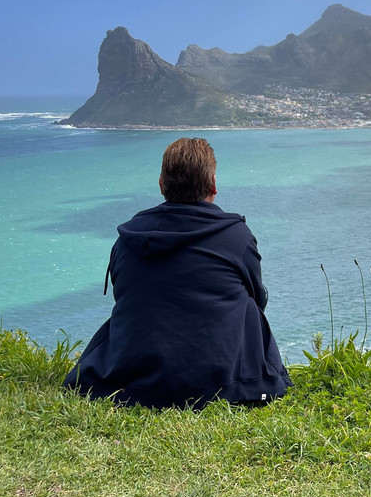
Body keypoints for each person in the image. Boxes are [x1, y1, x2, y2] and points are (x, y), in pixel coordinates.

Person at [64, 137, 291, 409]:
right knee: (250, 309)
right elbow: (257, 297)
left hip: (134, 374)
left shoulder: (127, 238)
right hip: (221, 379)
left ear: (161, 184)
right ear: (213, 184)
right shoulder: (235, 236)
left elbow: (123, 294)